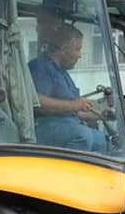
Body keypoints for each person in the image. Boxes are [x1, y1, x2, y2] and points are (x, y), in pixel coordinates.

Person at [28, 24, 107, 153]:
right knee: (82, 135)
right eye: (77, 49)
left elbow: (71, 112)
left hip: (66, 125)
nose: (80, 55)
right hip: (42, 126)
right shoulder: (41, 67)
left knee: (100, 139)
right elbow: (37, 102)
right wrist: (73, 104)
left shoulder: (63, 73)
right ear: (63, 49)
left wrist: (100, 115)